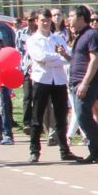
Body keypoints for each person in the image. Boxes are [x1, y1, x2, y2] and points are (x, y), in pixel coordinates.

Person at [22, 9, 77, 162]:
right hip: (41, 80)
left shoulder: (57, 39)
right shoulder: (33, 40)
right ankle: (34, 151)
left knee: (60, 116)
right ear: (36, 21)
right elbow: (39, 57)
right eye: (42, 20)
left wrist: (54, 58)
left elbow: (68, 57)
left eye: (48, 20)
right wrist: (57, 56)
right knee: (37, 116)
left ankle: (64, 150)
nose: (46, 23)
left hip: (58, 80)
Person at [66, 5, 98, 163]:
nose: (69, 20)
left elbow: (95, 59)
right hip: (76, 82)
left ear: (81, 18)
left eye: (71, 16)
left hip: (86, 83)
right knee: (82, 116)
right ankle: (96, 151)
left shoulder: (92, 34)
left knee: (83, 115)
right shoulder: (80, 35)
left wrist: (85, 83)